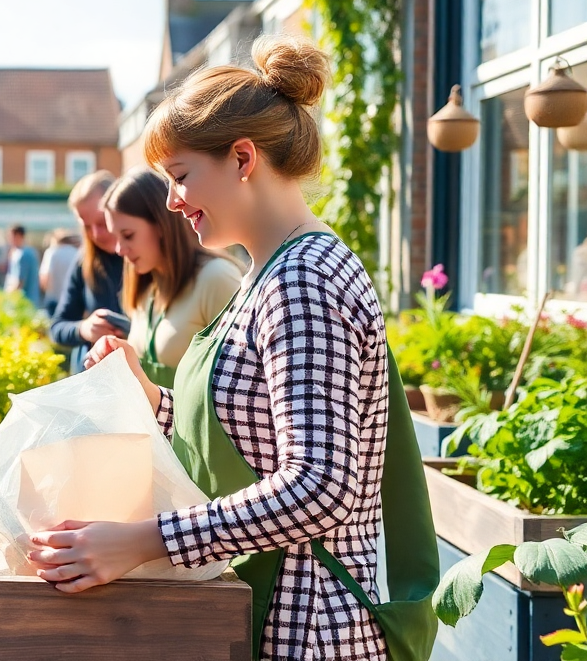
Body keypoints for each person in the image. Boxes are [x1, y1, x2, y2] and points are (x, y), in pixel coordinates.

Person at [30, 37, 438, 660]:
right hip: (282, 607)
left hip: (313, 627)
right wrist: (151, 400)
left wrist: (143, 541)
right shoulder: (271, 271)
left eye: (181, 175)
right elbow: (255, 439)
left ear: (243, 158)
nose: (172, 201)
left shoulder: (304, 280)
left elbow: (318, 485)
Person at [102, 169, 242, 387]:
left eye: (128, 235)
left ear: (161, 224)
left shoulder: (216, 278)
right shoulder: (145, 289)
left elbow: (243, 382)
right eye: (116, 237)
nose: (119, 249)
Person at [49, 171, 126, 374]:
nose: (96, 234)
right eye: (86, 226)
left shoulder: (145, 255)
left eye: (102, 222)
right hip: (96, 382)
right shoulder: (84, 262)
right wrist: (84, 329)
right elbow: (57, 327)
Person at [39, 229, 80, 317]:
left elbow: (45, 278)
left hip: (53, 299)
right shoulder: (76, 253)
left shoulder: (52, 253)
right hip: (72, 299)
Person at [4, 223, 42, 306]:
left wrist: (6, 297)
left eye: (10, 236)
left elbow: (19, 282)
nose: (9, 239)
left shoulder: (23, 255)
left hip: (23, 303)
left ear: (18, 236)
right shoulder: (30, 252)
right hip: (31, 301)